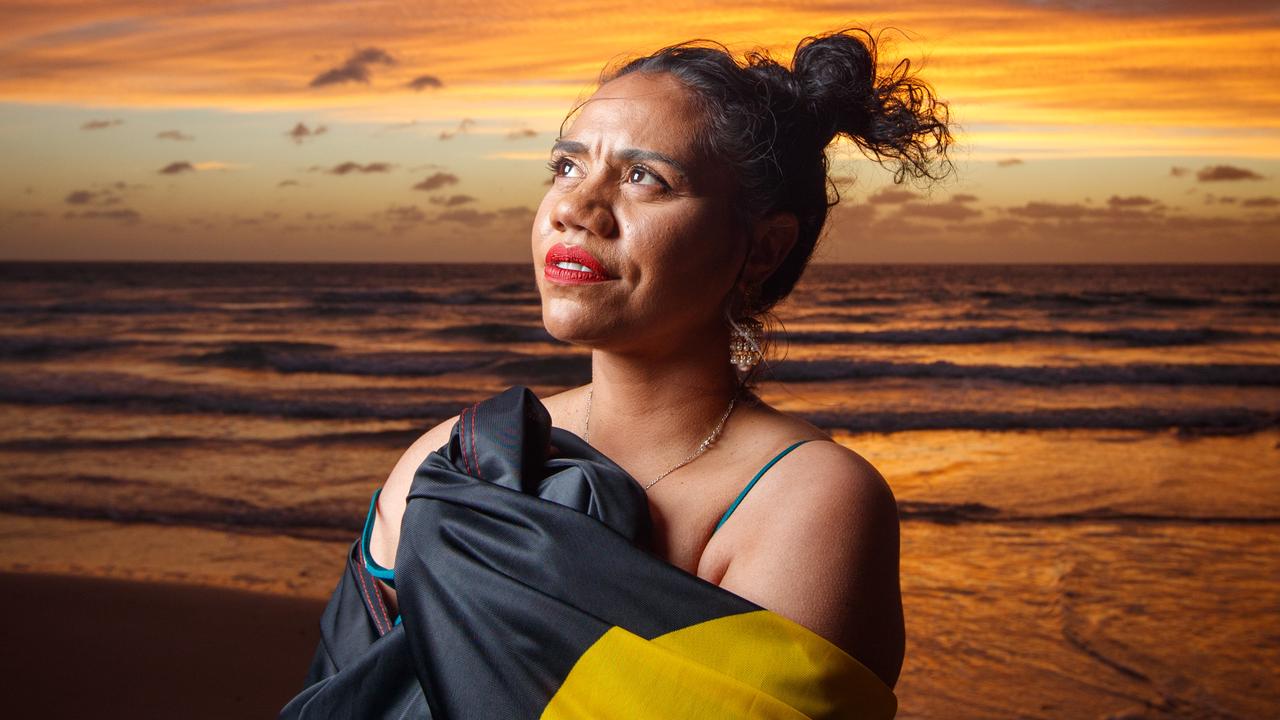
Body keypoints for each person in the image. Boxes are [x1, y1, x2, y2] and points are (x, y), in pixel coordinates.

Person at [290, 26, 954, 718]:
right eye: (567, 167)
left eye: (645, 178)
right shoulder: (456, 461)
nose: (574, 210)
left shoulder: (809, 502)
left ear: (763, 248)